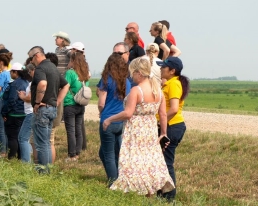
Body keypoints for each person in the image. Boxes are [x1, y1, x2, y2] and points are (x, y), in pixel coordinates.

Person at [104, 58, 174, 196]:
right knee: (149, 161)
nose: (131, 76)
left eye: (132, 73)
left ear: (139, 73)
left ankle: (134, 191)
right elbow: (163, 115)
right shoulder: (158, 91)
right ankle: (149, 192)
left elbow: (128, 113)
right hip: (150, 130)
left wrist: (109, 119)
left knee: (133, 161)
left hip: (135, 131)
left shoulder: (137, 90)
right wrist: (163, 133)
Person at [28, 46, 69, 173]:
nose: (31, 61)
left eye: (31, 58)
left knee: (41, 143)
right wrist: (57, 101)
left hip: (43, 109)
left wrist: (37, 102)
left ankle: (43, 172)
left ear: (36, 55)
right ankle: (47, 170)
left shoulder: (40, 68)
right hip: (52, 109)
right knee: (46, 142)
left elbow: (43, 84)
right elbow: (66, 85)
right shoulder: (53, 68)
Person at [157, 57, 189, 202]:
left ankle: (169, 197)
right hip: (170, 125)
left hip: (172, 126)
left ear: (172, 71)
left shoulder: (174, 84)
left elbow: (174, 109)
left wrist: (161, 121)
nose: (161, 69)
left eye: (164, 67)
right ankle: (161, 192)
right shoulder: (169, 83)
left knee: (166, 162)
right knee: (161, 161)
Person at [97, 53, 132, 186]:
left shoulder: (106, 80)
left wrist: (101, 112)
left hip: (108, 120)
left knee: (109, 155)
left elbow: (101, 102)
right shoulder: (127, 82)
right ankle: (120, 177)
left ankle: (114, 183)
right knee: (111, 152)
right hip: (121, 120)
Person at [62, 52, 89, 161]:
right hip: (81, 104)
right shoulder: (84, 74)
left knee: (71, 131)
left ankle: (72, 154)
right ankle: (77, 153)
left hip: (70, 104)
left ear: (73, 61)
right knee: (78, 130)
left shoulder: (70, 73)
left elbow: (65, 86)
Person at [15, 61, 35, 163]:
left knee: (22, 138)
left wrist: (22, 97)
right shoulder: (31, 83)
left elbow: (30, 98)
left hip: (30, 113)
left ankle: (26, 162)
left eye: (29, 71)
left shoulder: (33, 83)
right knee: (26, 138)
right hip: (30, 112)